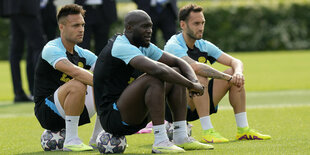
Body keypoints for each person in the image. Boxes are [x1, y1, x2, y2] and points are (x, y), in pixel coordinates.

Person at [93, 10, 214, 154]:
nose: (149, 31)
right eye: (144, 27)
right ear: (130, 28)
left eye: (150, 26)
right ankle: (160, 141)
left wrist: (193, 80)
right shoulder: (120, 46)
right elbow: (157, 70)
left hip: (133, 112)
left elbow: (178, 61)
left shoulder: (143, 45)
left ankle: (181, 136)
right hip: (112, 117)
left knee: (175, 71)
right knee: (155, 77)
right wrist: (190, 85)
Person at [164, 4, 271, 143]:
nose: (201, 27)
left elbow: (235, 61)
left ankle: (243, 130)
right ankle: (208, 132)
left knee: (233, 71)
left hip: (197, 101)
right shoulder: (173, 45)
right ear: (183, 25)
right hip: (174, 106)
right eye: (196, 23)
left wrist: (237, 73)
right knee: (199, 76)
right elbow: (195, 67)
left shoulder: (202, 44)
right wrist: (228, 78)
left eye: (203, 23)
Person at [33, 4, 103, 151]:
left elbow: (106, 71)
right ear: (61, 27)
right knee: (79, 82)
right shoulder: (51, 48)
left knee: (105, 82)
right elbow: (75, 72)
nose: (81, 29)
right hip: (48, 111)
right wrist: (104, 85)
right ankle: (71, 140)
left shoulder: (83, 53)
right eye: (76, 25)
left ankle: (98, 137)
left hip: (74, 108)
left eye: (83, 25)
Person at [1, 0, 46, 102]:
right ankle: (39, 89)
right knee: (40, 47)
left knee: (16, 50)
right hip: (25, 6)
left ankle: (18, 93)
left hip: (13, 7)